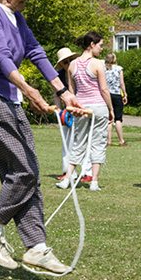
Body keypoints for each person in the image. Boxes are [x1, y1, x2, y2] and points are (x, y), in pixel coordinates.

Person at [0, 0, 83, 274]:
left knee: (27, 173)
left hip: (9, 100)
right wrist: (30, 90)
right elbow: (0, 55)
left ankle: (36, 247)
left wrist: (62, 91)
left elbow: (35, 51)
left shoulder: (16, 16)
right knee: (25, 170)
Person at [56, 31, 114, 191]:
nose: (101, 49)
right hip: (98, 107)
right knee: (98, 143)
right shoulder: (97, 64)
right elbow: (103, 89)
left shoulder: (73, 65)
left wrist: (73, 107)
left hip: (81, 107)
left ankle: (67, 178)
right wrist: (111, 109)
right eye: (100, 45)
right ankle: (94, 181)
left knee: (77, 142)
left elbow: (71, 91)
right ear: (92, 45)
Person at [54, 48, 93, 183]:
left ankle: (87, 172)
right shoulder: (58, 76)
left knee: (83, 141)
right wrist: (59, 112)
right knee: (67, 142)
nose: (68, 63)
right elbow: (57, 95)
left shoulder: (79, 72)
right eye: (65, 62)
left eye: (70, 60)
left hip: (82, 110)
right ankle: (68, 171)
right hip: (67, 113)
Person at [105, 53, 128, 146]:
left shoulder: (103, 69)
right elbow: (121, 83)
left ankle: (108, 141)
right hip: (116, 95)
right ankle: (121, 140)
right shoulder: (119, 69)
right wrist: (125, 94)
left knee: (109, 118)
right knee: (118, 118)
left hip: (106, 95)